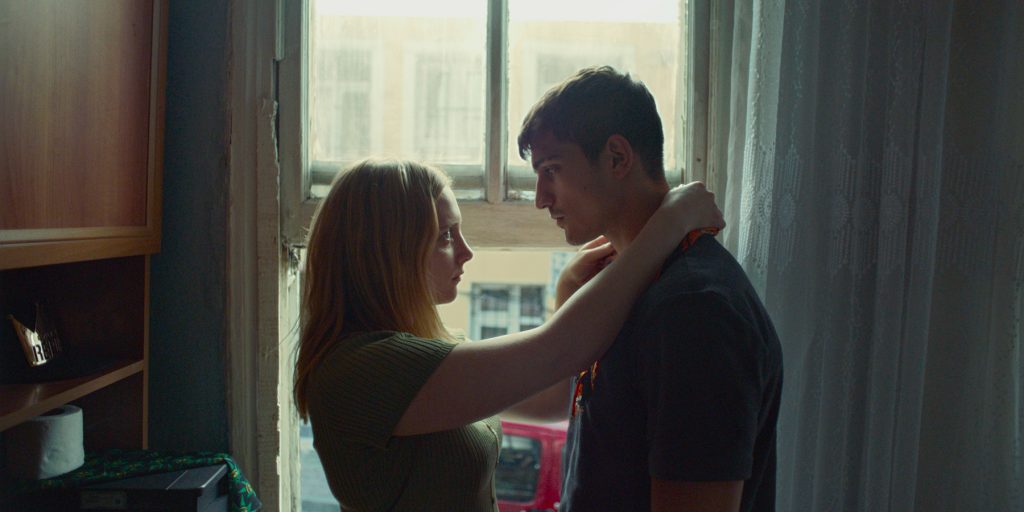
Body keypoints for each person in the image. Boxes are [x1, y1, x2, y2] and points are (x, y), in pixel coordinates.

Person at [292, 157, 724, 511]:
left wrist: (569, 290)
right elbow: (558, 352)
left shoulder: (431, 350)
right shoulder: (360, 372)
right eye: (445, 235)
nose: (467, 251)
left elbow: (553, 397)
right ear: (387, 253)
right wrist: (670, 222)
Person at [515, 66, 784, 512]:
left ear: (617, 157)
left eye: (552, 170)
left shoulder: (694, 310)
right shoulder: (619, 288)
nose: (541, 197)